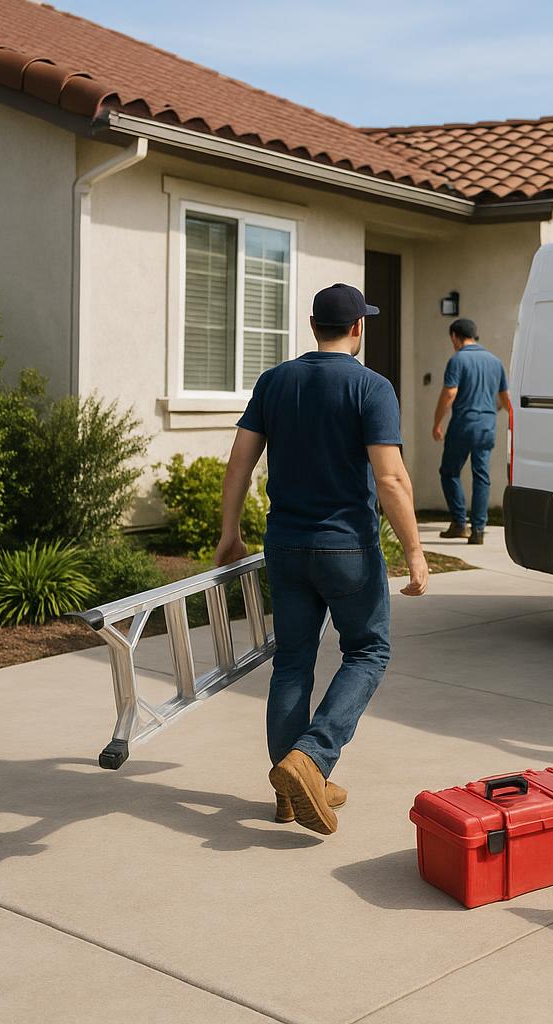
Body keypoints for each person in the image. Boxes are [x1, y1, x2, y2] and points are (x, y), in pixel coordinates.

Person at [215, 283, 428, 836]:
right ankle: (312, 759)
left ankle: (290, 792)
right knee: (368, 651)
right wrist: (413, 549)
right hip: (346, 549)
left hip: (285, 544)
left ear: (314, 326)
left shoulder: (274, 382)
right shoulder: (371, 387)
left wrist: (229, 533)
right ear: (357, 328)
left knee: (292, 662)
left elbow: (238, 464)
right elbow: (390, 477)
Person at [432, 318, 510, 544]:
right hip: (487, 426)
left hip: (463, 425)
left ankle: (459, 522)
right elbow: (505, 398)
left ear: (455, 337)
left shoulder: (458, 359)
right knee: (481, 477)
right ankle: (478, 530)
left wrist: (437, 422)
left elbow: (449, 394)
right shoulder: (495, 361)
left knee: (449, 472)